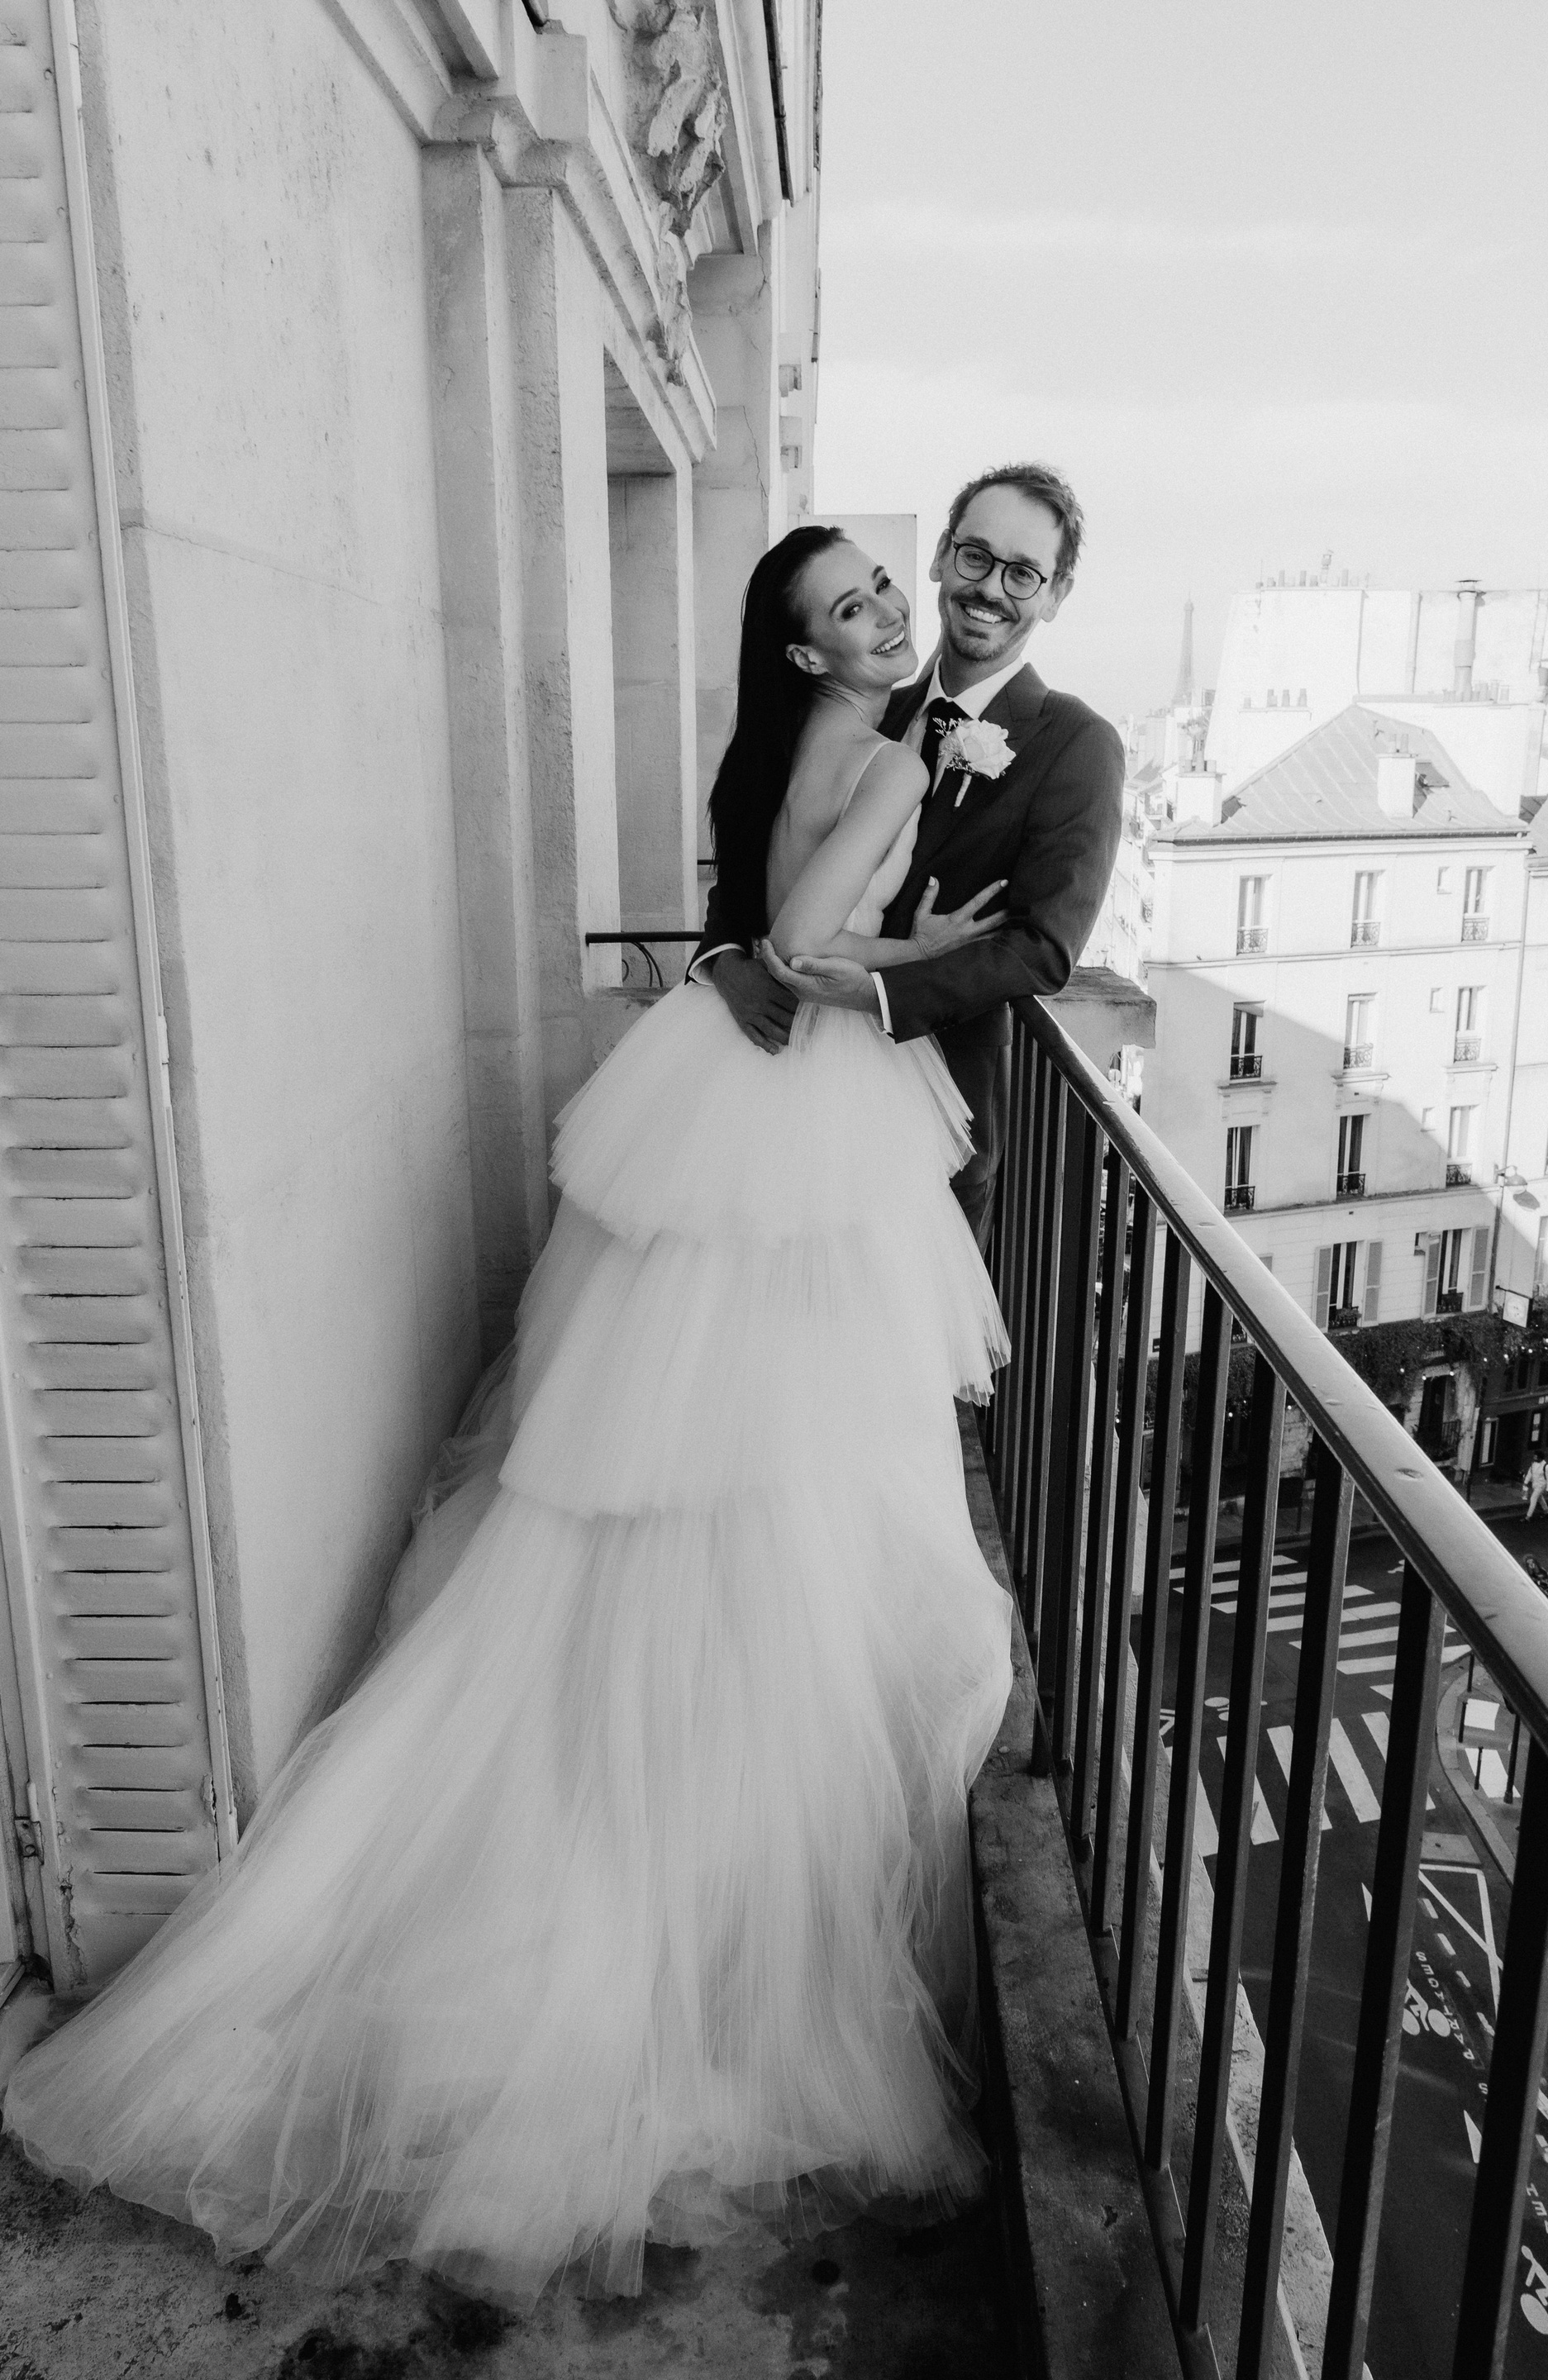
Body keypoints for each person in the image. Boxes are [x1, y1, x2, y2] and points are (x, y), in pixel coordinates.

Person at [2, 527, 1014, 2308]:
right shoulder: (878, 754)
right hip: (798, 1085)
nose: (885, 612)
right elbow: (796, 942)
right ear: (807, 650)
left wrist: (860, 913)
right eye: (849, 604)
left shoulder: (790, 744)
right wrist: (910, 938)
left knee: (674, 1458)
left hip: (730, 1084)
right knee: (783, 1453)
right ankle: (709, 1854)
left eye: (882, 588)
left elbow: (758, 910)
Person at [690, 462, 1125, 1245]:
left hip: (936, 1119)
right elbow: (760, 847)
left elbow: (1043, 948)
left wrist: (878, 993)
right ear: (941, 557)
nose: (991, 588)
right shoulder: (859, 700)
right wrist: (727, 964)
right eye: (975, 556)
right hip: (781, 1088)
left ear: (1055, 594)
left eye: (1024, 573)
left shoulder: (1078, 744)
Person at [1523, 1451, 1548, 1520]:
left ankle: (1528, 1517)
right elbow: (1530, 1473)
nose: (1534, 1458)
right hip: (1535, 1485)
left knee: (1533, 1498)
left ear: (1540, 1458)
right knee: (1540, 1498)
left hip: (1541, 1486)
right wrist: (1526, 1482)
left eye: (1535, 1457)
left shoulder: (1546, 1466)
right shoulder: (1533, 1464)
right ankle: (1547, 1512)